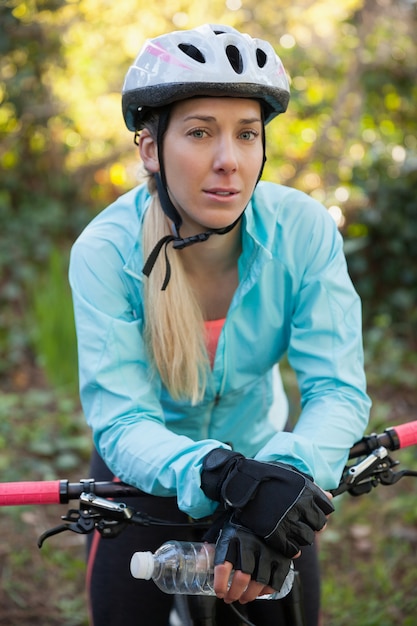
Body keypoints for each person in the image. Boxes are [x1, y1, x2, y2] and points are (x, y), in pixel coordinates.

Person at [69, 23, 371, 626]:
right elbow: (125, 420)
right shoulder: (106, 251)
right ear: (150, 149)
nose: (228, 160)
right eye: (200, 132)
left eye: (247, 134)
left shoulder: (304, 231)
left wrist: (287, 474)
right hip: (144, 473)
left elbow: (336, 388)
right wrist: (216, 471)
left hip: (270, 467)